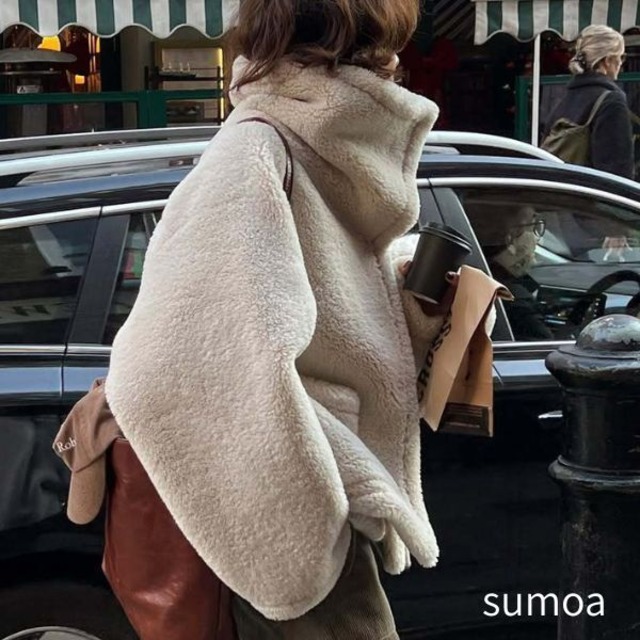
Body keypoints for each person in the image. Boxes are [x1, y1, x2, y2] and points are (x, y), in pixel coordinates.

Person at [104, 1, 449, 638]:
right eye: (387, 42)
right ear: (349, 46)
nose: (396, 62)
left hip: (332, 510)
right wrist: (303, 517)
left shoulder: (317, 155)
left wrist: (414, 311)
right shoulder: (255, 152)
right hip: (298, 527)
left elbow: (329, 327)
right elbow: (166, 367)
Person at [542, 24, 634, 179]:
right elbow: (617, 171)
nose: (621, 63)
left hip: (560, 190)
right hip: (591, 193)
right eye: (621, 57)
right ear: (607, 61)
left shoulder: (564, 100)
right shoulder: (611, 102)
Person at [468, 203, 553, 341]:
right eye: (533, 227)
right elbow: (548, 346)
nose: (537, 239)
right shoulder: (514, 300)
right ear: (510, 237)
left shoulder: (473, 276)